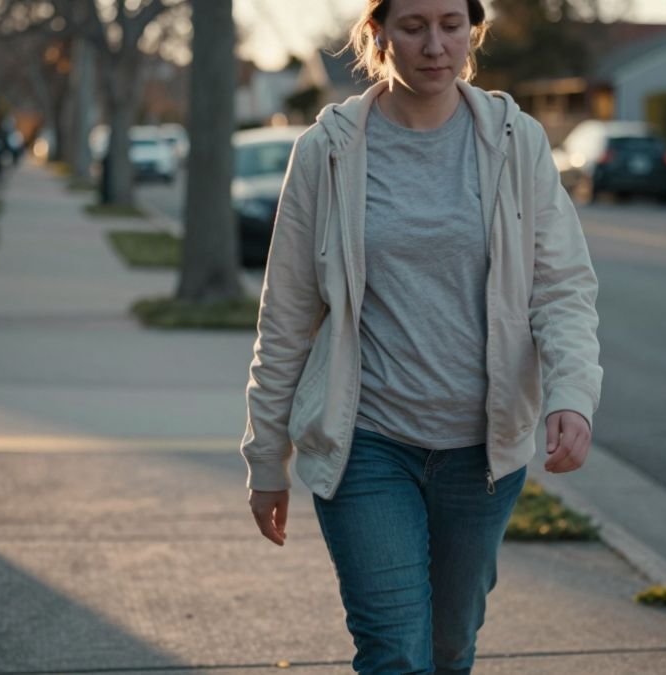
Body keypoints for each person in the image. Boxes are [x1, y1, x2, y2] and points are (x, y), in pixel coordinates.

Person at [240, 0, 602, 672]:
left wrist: (571, 393)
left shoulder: (514, 141)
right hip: (366, 442)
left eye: (450, 25)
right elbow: (286, 316)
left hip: (481, 454)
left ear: (473, 30)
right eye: (412, 27)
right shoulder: (328, 151)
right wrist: (267, 458)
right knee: (394, 652)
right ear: (377, 33)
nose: (435, 45)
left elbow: (562, 286)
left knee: (448, 647)